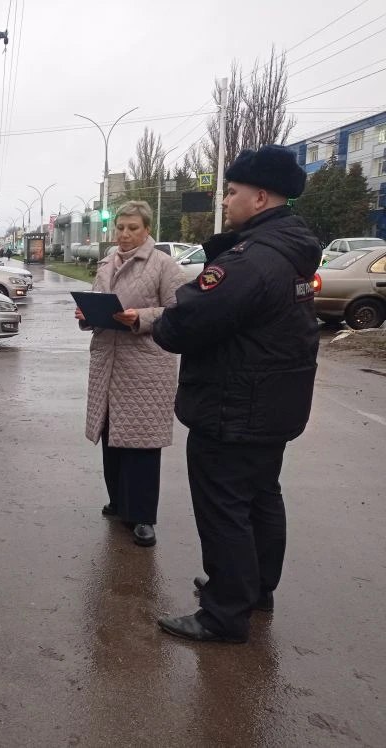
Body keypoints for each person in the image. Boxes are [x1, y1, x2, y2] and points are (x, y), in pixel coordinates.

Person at [152, 145, 321, 643]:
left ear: (261, 197)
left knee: (224, 505)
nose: (225, 201)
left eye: (232, 192)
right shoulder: (291, 249)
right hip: (274, 401)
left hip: (235, 405)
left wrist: (168, 318)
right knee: (261, 497)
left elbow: (186, 321)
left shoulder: (251, 261)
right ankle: (253, 589)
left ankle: (224, 613)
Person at [75, 200, 186, 547]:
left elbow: (179, 311)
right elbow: (97, 300)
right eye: (120, 227)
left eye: (132, 228)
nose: (124, 234)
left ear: (147, 229)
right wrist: (86, 315)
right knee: (112, 435)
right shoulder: (107, 261)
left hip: (145, 366)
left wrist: (141, 317)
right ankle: (119, 501)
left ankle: (142, 517)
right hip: (108, 360)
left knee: (141, 442)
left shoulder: (164, 264)